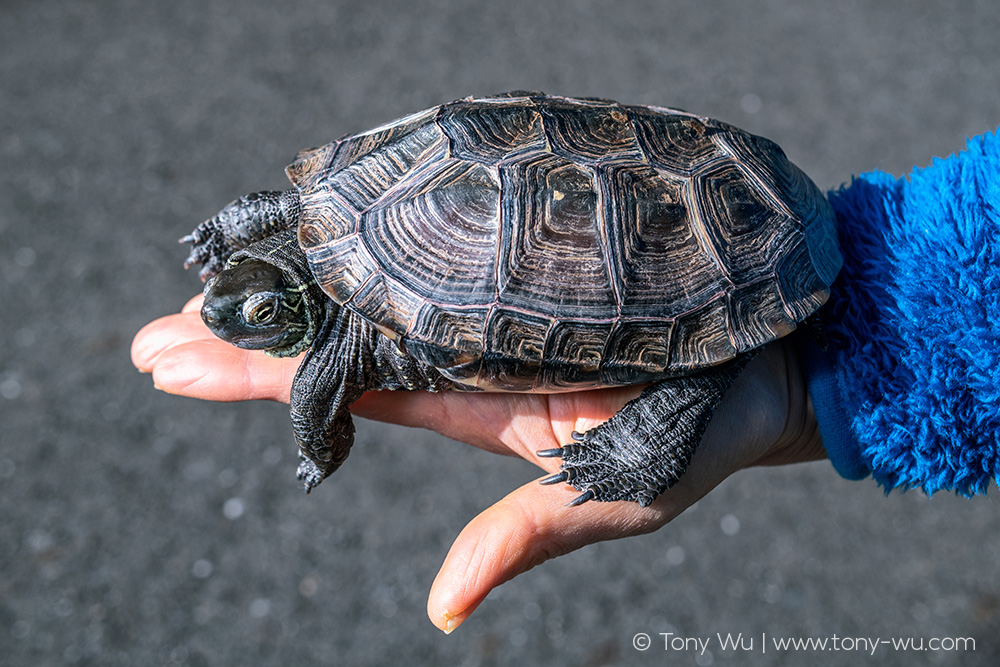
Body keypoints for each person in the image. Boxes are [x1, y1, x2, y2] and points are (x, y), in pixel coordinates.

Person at [131, 128, 1000, 633]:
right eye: (239, 307)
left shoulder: (331, 341)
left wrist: (318, 444)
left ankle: (682, 405)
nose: (229, 317)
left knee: (686, 377)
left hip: (678, 263)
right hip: (739, 171)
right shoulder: (327, 244)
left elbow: (318, 392)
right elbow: (281, 215)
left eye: (250, 316)